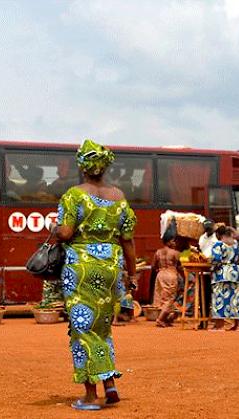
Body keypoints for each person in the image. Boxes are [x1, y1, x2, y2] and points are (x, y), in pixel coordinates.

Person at [55, 139, 137, 411]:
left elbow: (66, 233)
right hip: (112, 267)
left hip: (82, 268)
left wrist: (55, 231)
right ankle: (110, 385)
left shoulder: (74, 195)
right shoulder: (119, 198)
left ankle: (91, 396)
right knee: (102, 327)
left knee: (82, 327)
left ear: (83, 166)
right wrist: (132, 275)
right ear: (104, 167)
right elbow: (128, 241)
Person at [209, 225, 239, 331]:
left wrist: (212, 269)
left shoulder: (218, 245)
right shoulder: (236, 245)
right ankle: (236, 325)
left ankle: (219, 325)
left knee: (219, 298)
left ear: (218, 235)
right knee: (234, 299)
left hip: (221, 273)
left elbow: (216, 260)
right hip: (234, 273)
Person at [151, 237, 183, 328]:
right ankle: (160, 319)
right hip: (171, 274)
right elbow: (180, 267)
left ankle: (166, 319)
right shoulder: (176, 253)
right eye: (173, 241)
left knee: (163, 298)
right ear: (167, 242)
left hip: (160, 275)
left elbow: (153, 266)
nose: (175, 243)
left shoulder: (158, 252)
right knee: (170, 299)